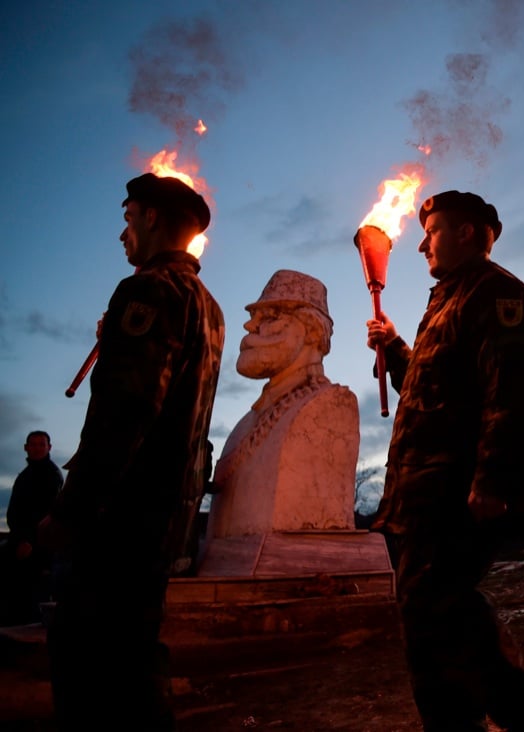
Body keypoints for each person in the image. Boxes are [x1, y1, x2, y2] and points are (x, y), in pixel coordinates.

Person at [366, 190, 524, 731]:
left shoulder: (497, 293)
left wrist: (495, 478)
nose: (422, 245)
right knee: (425, 617)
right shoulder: (446, 301)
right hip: (420, 495)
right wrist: (398, 350)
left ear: (468, 233)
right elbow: (435, 394)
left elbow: (519, 392)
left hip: (456, 491)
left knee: (437, 605)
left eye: (432, 232)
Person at [38, 173, 224, 730]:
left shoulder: (147, 289)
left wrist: (71, 511)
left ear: (149, 218)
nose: (122, 234)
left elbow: (126, 412)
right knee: (135, 658)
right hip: (164, 519)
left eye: (127, 218)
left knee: (90, 665)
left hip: (119, 518)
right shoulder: (207, 305)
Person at [204, 269, 359, 545]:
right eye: (254, 317)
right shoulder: (244, 425)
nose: (250, 326)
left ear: (312, 330)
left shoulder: (330, 406)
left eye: (271, 316)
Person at [1, 430, 63, 625]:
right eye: (33, 444)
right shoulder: (25, 475)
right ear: (26, 448)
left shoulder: (52, 476)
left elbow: (47, 514)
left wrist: (29, 541)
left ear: (49, 448)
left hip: (37, 548)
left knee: (31, 601)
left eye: (41, 444)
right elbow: (14, 512)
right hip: (18, 541)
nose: (36, 448)